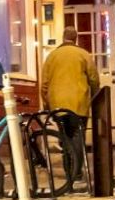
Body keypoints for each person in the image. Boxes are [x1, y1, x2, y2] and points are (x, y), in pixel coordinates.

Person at [42, 37, 101, 187]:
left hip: (58, 104)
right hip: (78, 103)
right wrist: (95, 97)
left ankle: (68, 170)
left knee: (64, 137)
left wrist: (47, 102)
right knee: (77, 137)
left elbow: (44, 84)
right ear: (75, 38)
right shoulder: (83, 54)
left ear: (63, 38)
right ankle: (77, 172)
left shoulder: (52, 56)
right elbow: (94, 79)